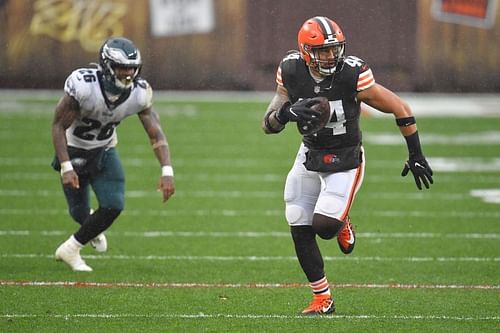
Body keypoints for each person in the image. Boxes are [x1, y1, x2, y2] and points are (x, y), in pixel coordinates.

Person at [261, 16, 433, 315]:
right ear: (305, 52)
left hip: (347, 157)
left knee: (325, 227)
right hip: (310, 153)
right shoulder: (290, 70)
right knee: (297, 218)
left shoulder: (353, 74)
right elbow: (268, 124)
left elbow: (399, 108)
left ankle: (342, 220)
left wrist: (415, 153)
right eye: (323, 51)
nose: (331, 56)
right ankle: (322, 298)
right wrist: (287, 113)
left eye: (335, 49)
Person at [52, 37, 175, 272]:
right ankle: (90, 227)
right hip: (74, 150)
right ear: (107, 65)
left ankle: (70, 249)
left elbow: (155, 133)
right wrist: (66, 166)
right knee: (79, 213)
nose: (128, 74)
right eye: (122, 68)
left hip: (105, 150)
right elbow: (58, 125)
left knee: (113, 204)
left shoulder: (139, 93)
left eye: (132, 68)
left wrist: (167, 170)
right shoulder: (84, 85)